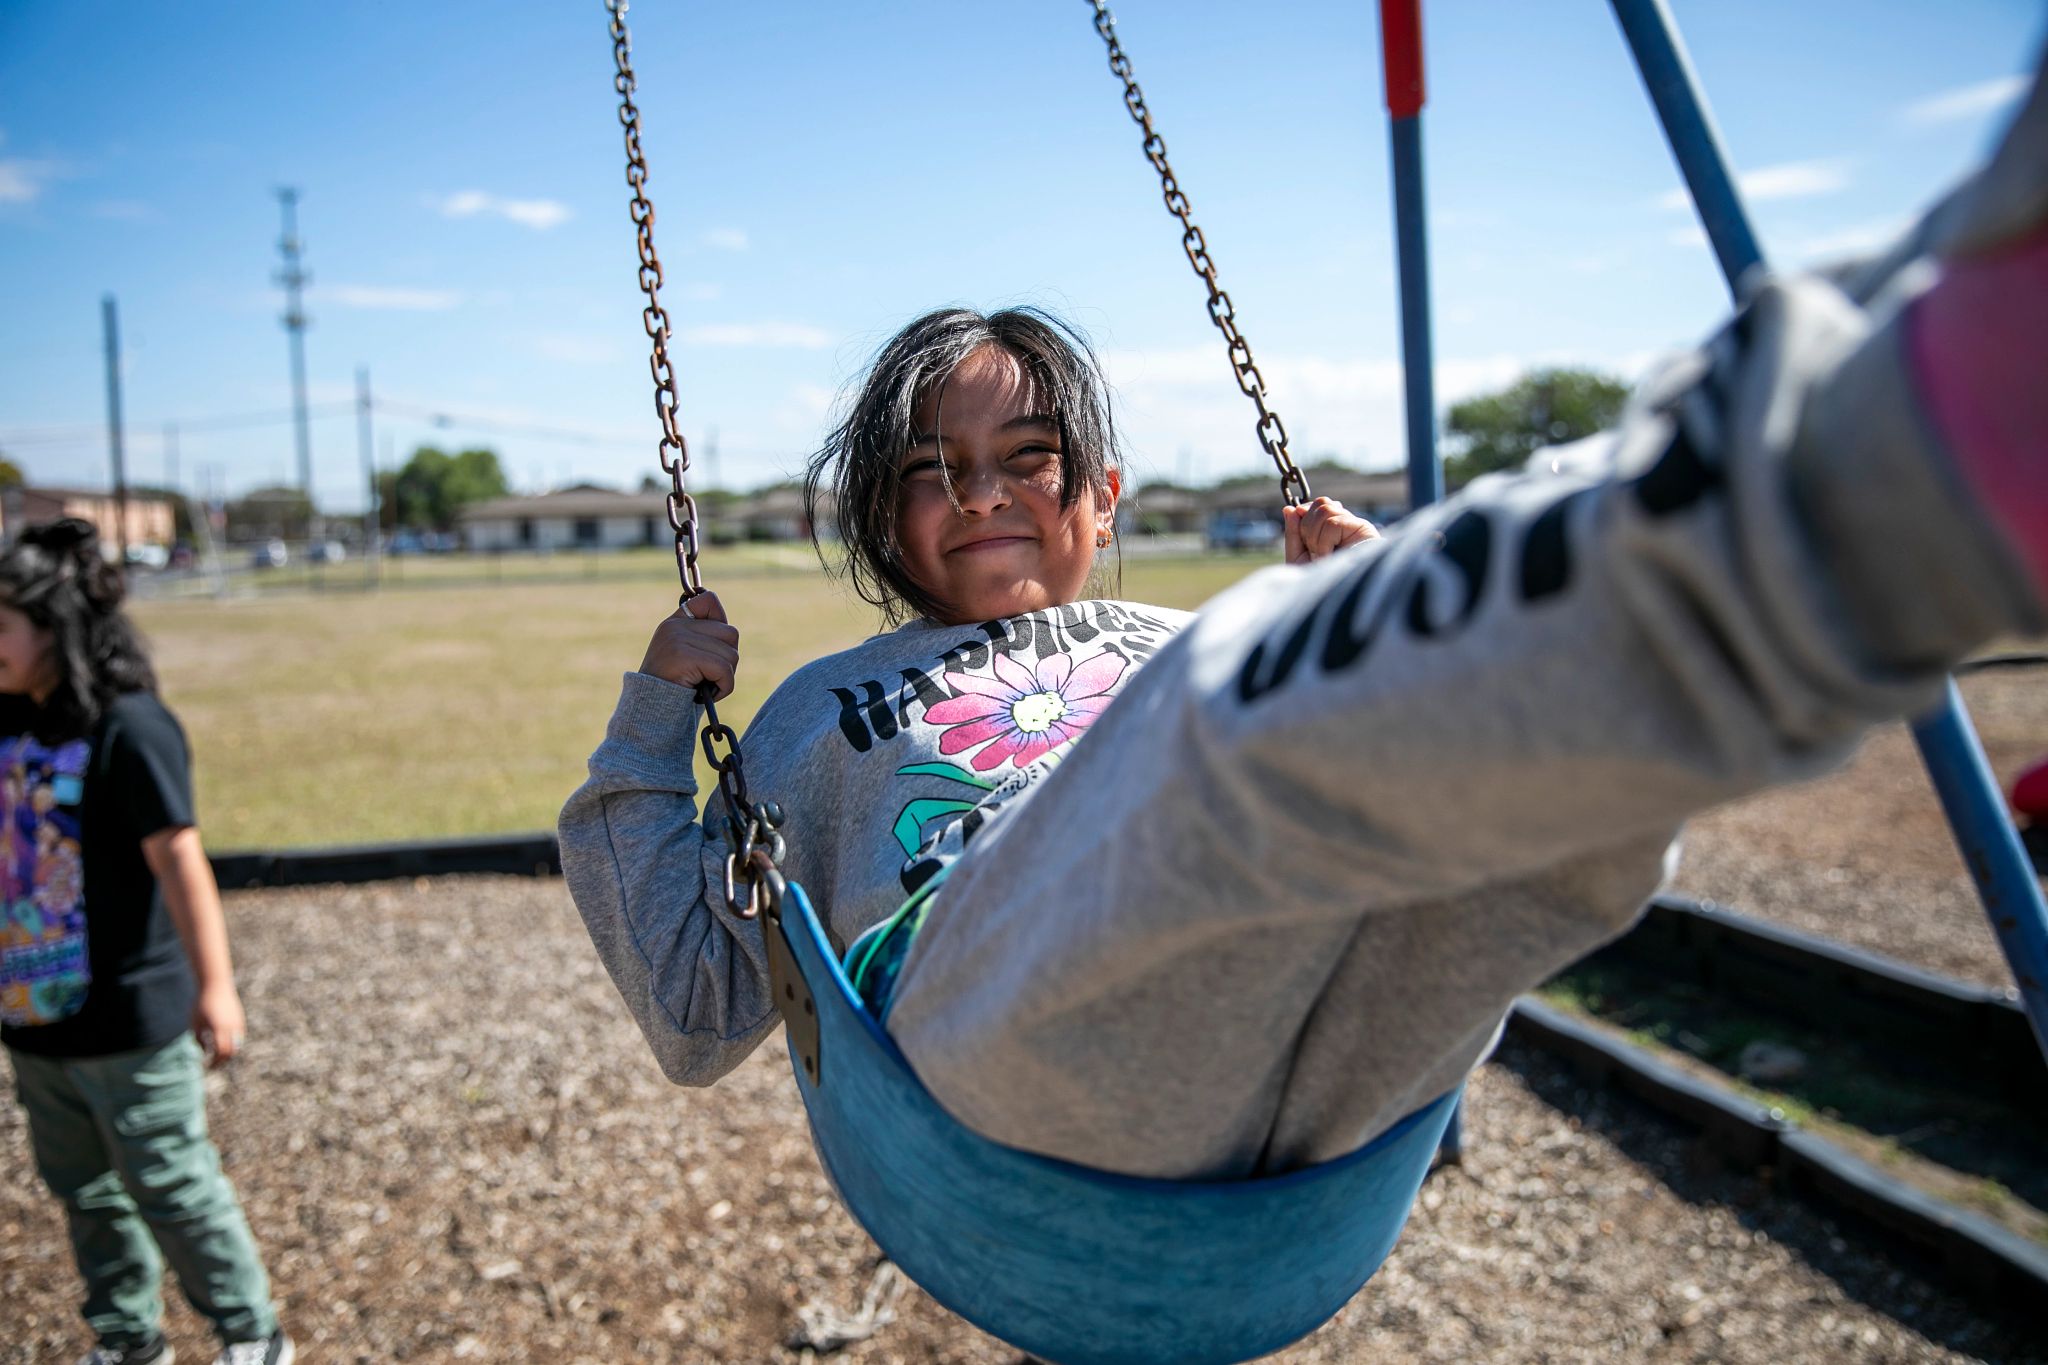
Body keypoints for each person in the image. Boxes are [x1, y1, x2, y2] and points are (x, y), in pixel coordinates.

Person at [561, 61, 2047, 1182]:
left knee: (1550, 840)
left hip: (1320, 1067)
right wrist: (651, 722)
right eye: (935, 476)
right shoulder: (827, 709)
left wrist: (1367, 615)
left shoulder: (1171, 643)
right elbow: (698, 1010)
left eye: (1028, 461)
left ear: (1102, 492)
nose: (988, 498)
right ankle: (1920, 439)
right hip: (1006, 1065)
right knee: (1237, 701)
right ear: (885, 521)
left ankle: (1918, 455)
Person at [0, 519, 293, 1365]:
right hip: (34, 1020)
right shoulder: (11, 721)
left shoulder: (128, 726)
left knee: (170, 1183)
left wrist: (217, 986)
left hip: (130, 1018)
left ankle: (251, 1332)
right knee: (83, 1192)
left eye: (2, 626)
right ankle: (128, 1341)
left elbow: (179, 860)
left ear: (56, 626)